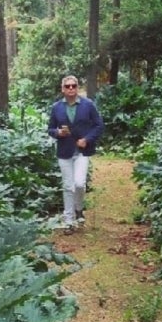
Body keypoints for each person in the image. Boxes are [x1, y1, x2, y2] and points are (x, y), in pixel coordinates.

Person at [47, 75, 104, 235]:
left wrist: (87, 139)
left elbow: (99, 126)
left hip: (82, 152)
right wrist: (58, 132)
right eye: (68, 86)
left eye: (74, 86)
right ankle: (69, 220)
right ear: (62, 89)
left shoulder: (88, 105)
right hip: (64, 152)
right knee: (67, 185)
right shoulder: (56, 107)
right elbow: (50, 129)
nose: (71, 89)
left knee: (79, 183)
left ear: (77, 87)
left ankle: (79, 208)